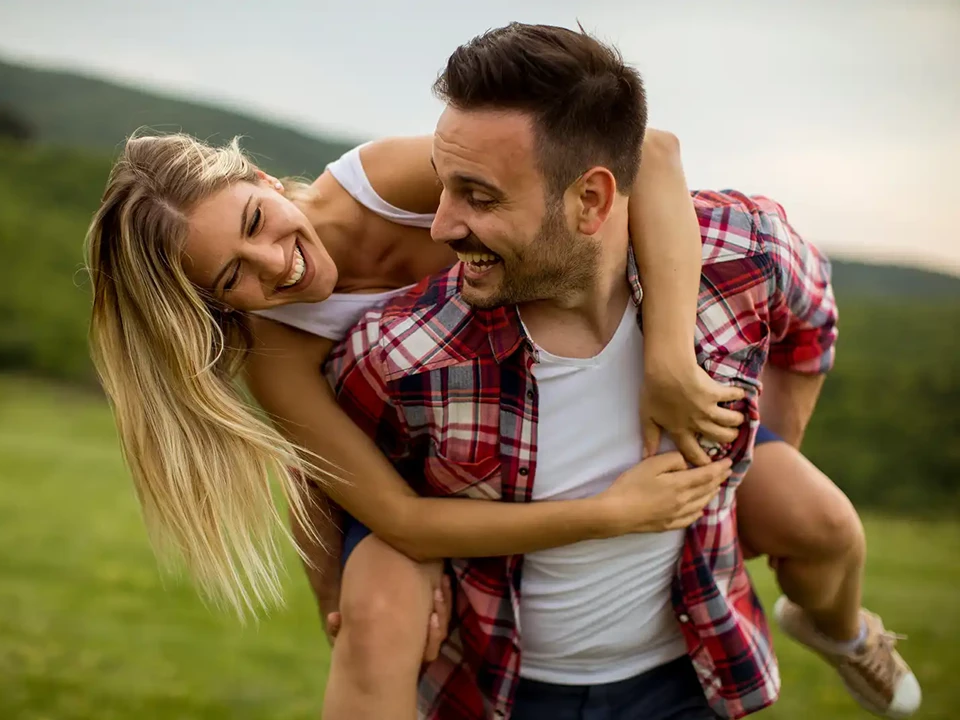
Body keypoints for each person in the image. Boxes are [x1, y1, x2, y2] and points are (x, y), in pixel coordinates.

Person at [82, 26, 917, 720]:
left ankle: (842, 632)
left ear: (263, 179)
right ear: (211, 305)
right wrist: (602, 514)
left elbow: (651, 155)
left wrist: (668, 359)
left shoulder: (380, 181)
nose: (280, 265)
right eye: (236, 278)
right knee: (374, 616)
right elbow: (397, 513)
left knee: (823, 521)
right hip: (439, 459)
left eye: (260, 222)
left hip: (579, 384)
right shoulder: (281, 351)